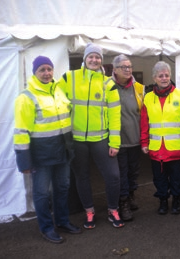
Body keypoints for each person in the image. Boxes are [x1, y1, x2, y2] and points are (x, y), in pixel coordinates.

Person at [14, 56, 81, 244]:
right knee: (42, 193)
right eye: (42, 70)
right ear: (35, 73)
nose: (46, 73)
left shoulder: (59, 90)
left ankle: (62, 221)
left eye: (49, 69)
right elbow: (21, 131)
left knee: (62, 188)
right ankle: (46, 228)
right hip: (41, 155)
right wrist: (24, 160)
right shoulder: (26, 97)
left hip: (63, 151)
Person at [58, 43, 124, 229]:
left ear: (101, 61)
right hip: (77, 140)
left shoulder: (108, 84)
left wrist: (115, 142)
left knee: (113, 176)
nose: (94, 60)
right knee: (82, 177)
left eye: (97, 57)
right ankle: (89, 211)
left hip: (101, 139)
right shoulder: (69, 77)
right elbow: (55, 100)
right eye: (91, 56)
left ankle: (113, 209)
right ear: (84, 59)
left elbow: (115, 115)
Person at [140, 61, 180, 215]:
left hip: (176, 148)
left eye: (167, 75)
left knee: (177, 178)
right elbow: (144, 123)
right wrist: (144, 142)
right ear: (154, 78)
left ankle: (176, 200)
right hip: (157, 149)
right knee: (160, 178)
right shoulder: (148, 98)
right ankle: (163, 200)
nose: (164, 78)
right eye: (160, 76)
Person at [106, 54, 145, 221]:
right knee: (121, 173)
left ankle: (130, 195)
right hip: (117, 141)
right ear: (114, 70)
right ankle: (123, 203)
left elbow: (143, 113)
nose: (128, 70)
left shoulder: (139, 88)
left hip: (135, 139)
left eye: (130, 67)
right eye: (124, 67)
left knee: (133, 172)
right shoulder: (106, 86)